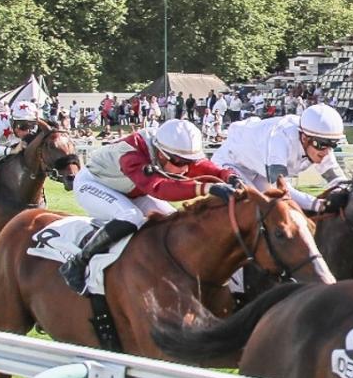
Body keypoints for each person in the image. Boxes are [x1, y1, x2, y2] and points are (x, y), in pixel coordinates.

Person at [67, 117, 236, 292]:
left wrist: (227, 175)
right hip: (93, 183)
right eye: (180, 162)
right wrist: (207, 188)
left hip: (131, 188)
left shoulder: (167, 147)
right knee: (131, 216)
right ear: (161, 153)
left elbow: (200, 166)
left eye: (189, 162)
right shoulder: (131, 153)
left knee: (172, 219)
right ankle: (78, 263)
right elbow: (158, 188)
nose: (186, 169)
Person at [212, 103, 348, 209]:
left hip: (260, 172)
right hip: (231, 163)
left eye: (333, 144)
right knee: (257, 207)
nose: (326, 151)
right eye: (322, 144)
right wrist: (317, 204)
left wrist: (344, 194)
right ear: (305, 138)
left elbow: (338, 181)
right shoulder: (280, 139)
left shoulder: (319, 143)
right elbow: (280, 189)